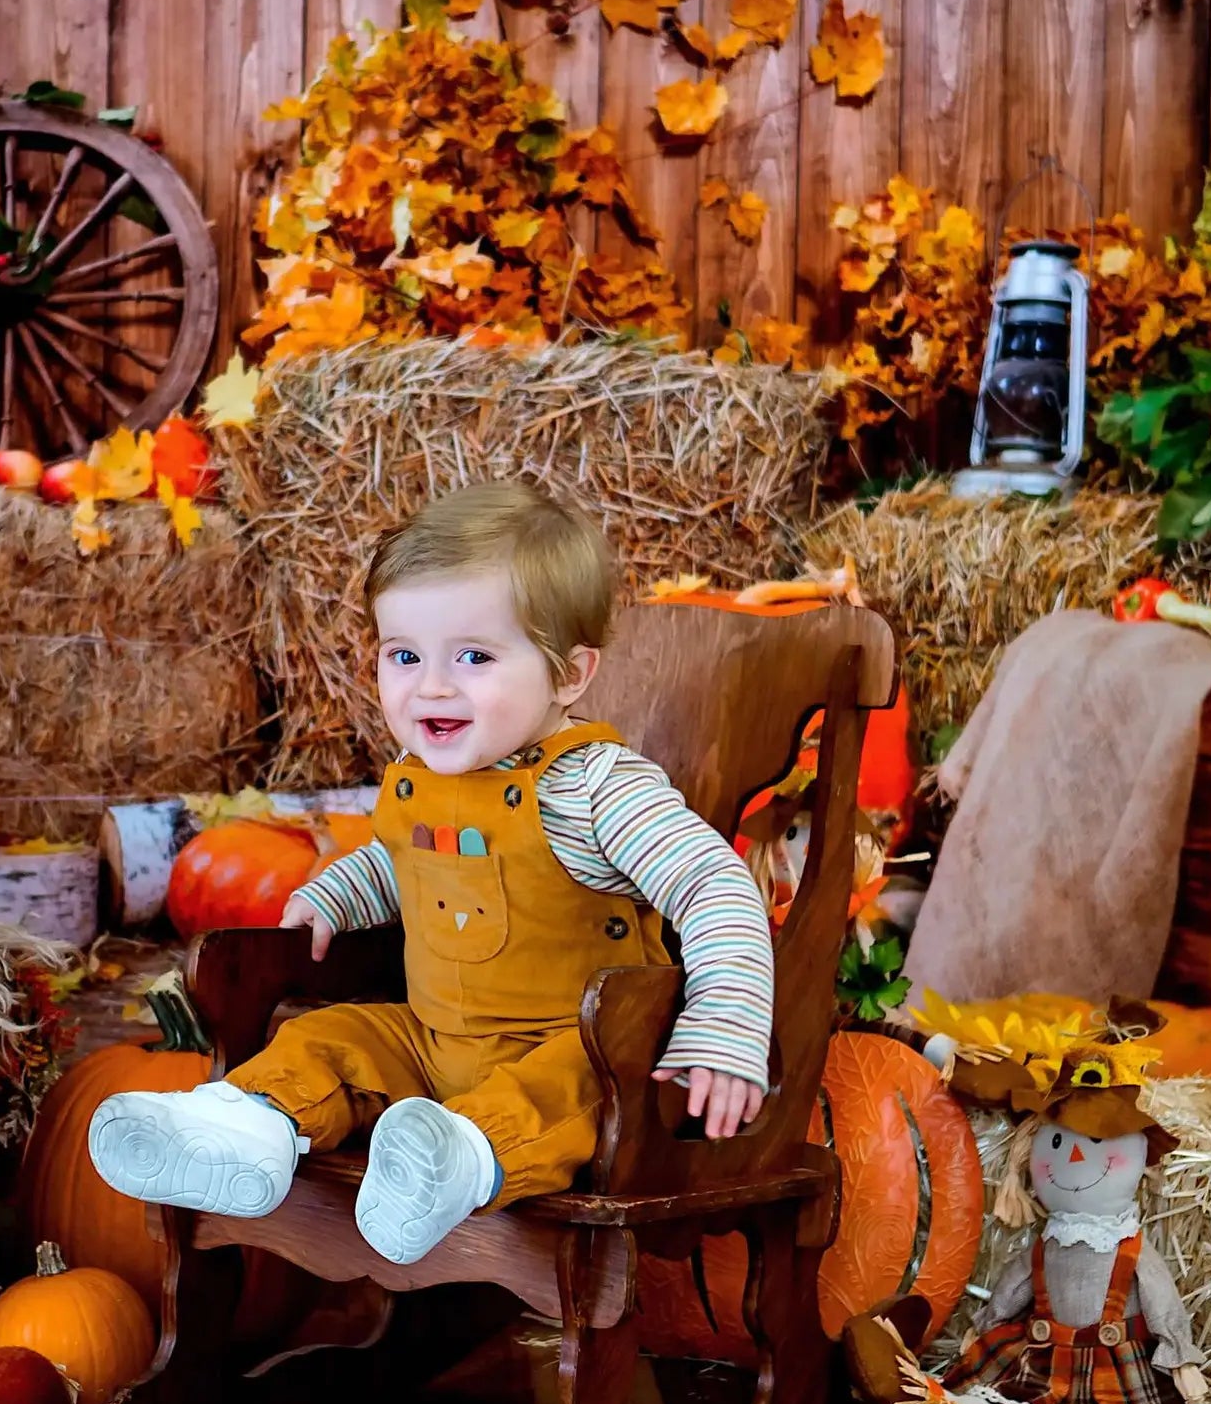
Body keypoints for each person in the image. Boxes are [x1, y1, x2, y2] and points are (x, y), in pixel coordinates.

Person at [90, 482, 776, 1265]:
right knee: (332, 1035)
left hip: (575, 1044)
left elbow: (713, 885)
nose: (433, 686)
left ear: (569, 674)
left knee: (566, 1089)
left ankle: (461, 1160)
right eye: (404, 656)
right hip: (434, 1040)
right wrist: (338, 896)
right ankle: (244, 1130)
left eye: (475, 657)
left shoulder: (595, 787)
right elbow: (400, 862)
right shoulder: (420, 777)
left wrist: (726, 1026)